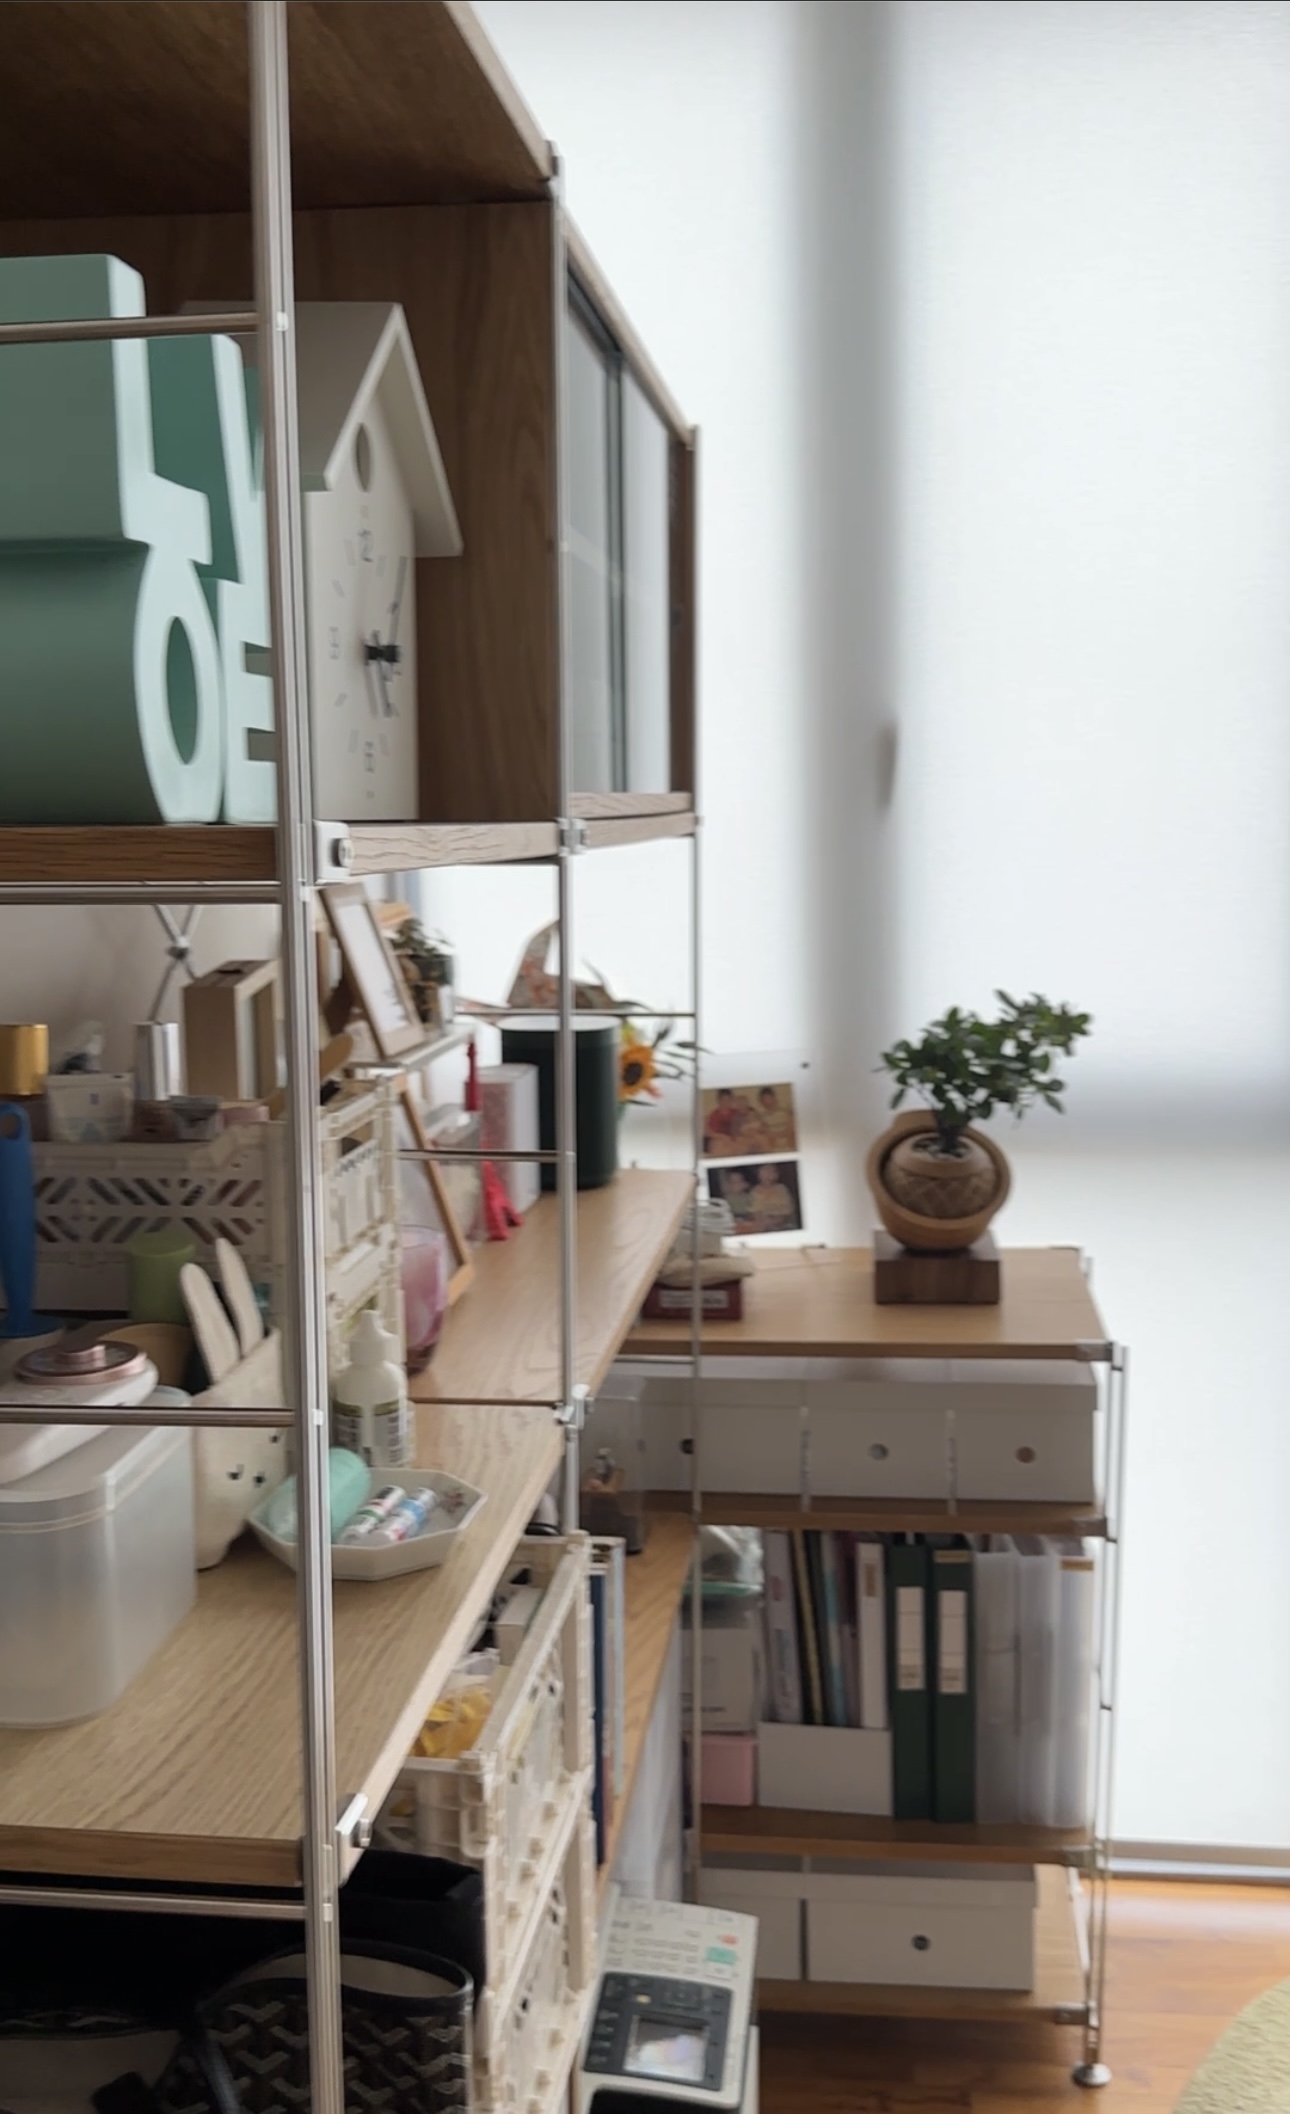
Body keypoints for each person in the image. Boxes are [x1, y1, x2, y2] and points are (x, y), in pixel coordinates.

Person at [751, 1161, 796, 1232]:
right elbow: (754, 1210)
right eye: (765, 1171)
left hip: (782, 1223)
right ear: (758, 1173)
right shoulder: (755, 1190)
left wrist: (775, 1219)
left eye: (772, 1171)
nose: (768, 1174)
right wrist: (762, 1219)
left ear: (776, 1175)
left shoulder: (782, 1189)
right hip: (763, 1223)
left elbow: (787, 1210)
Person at [704, 1088, 742, 1157]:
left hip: (735, 1140)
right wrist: (723, 1137)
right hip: (720, 1140)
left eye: (728, 1100)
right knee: (717, 1145)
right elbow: (710, 1132)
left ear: (732, 1100)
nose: (726, 1103)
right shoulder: (714, 1115)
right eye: (724, 1100)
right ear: (718, 1100)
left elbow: (742, 1128)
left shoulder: (736, 1113)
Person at [757, 1085, 795, 1153]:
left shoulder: (785, 1112)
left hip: (788, 1142)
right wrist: (774, 1137)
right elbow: (765, 1132)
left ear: (774, 1098)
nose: (766, 1101)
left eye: (768, 1098)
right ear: (761, 1102)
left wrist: (780, 1136)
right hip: (772, 1144)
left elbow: (790, 1129)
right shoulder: (762, 1117)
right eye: (764, 1099)